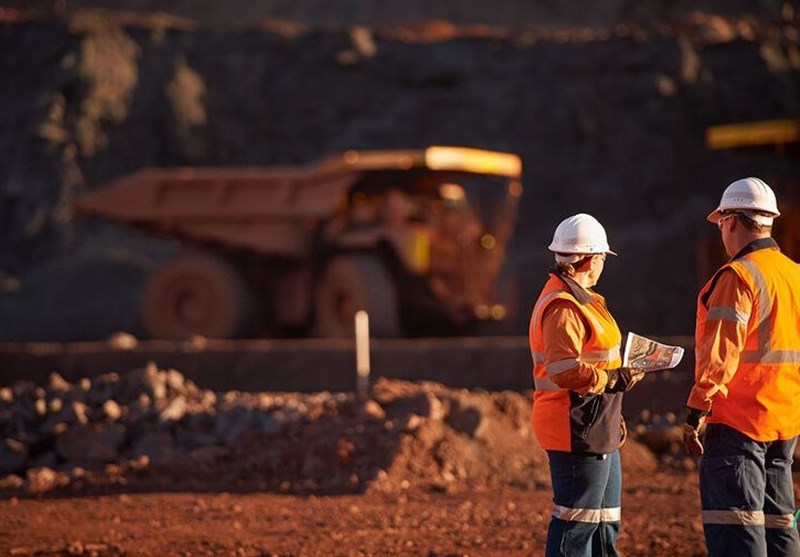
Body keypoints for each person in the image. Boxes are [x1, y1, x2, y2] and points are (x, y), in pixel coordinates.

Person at [682, 177, 800, 556]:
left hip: (738, 423)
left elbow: (721, 354)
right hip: (784, 423)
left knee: (737, 530)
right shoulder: (794, 275)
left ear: (731, 221)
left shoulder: (739, 276)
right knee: (779, 526)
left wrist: (697, 408)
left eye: (720, 224)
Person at [529, 213, 643, 557]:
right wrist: (610, 379)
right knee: (575, 526)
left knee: (604, 522)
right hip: (575, 428)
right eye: (603, 260)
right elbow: (564, 369)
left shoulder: (581, 299)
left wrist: (619, 376)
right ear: (592, 259)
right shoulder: (563, 305)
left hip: (596, 424)